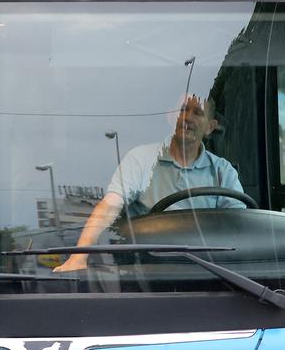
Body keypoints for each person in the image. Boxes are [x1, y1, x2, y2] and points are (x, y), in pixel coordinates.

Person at [56, 95, 246, 273]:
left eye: (197, 112)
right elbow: (111, 205)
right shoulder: (141, 160)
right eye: (182, 110)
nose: (187, 118)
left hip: (207, 272)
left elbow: (239, 226)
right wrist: (79, 257)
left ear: (210, 127)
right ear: (170, 117)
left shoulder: (223, 171)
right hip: (148, 271)